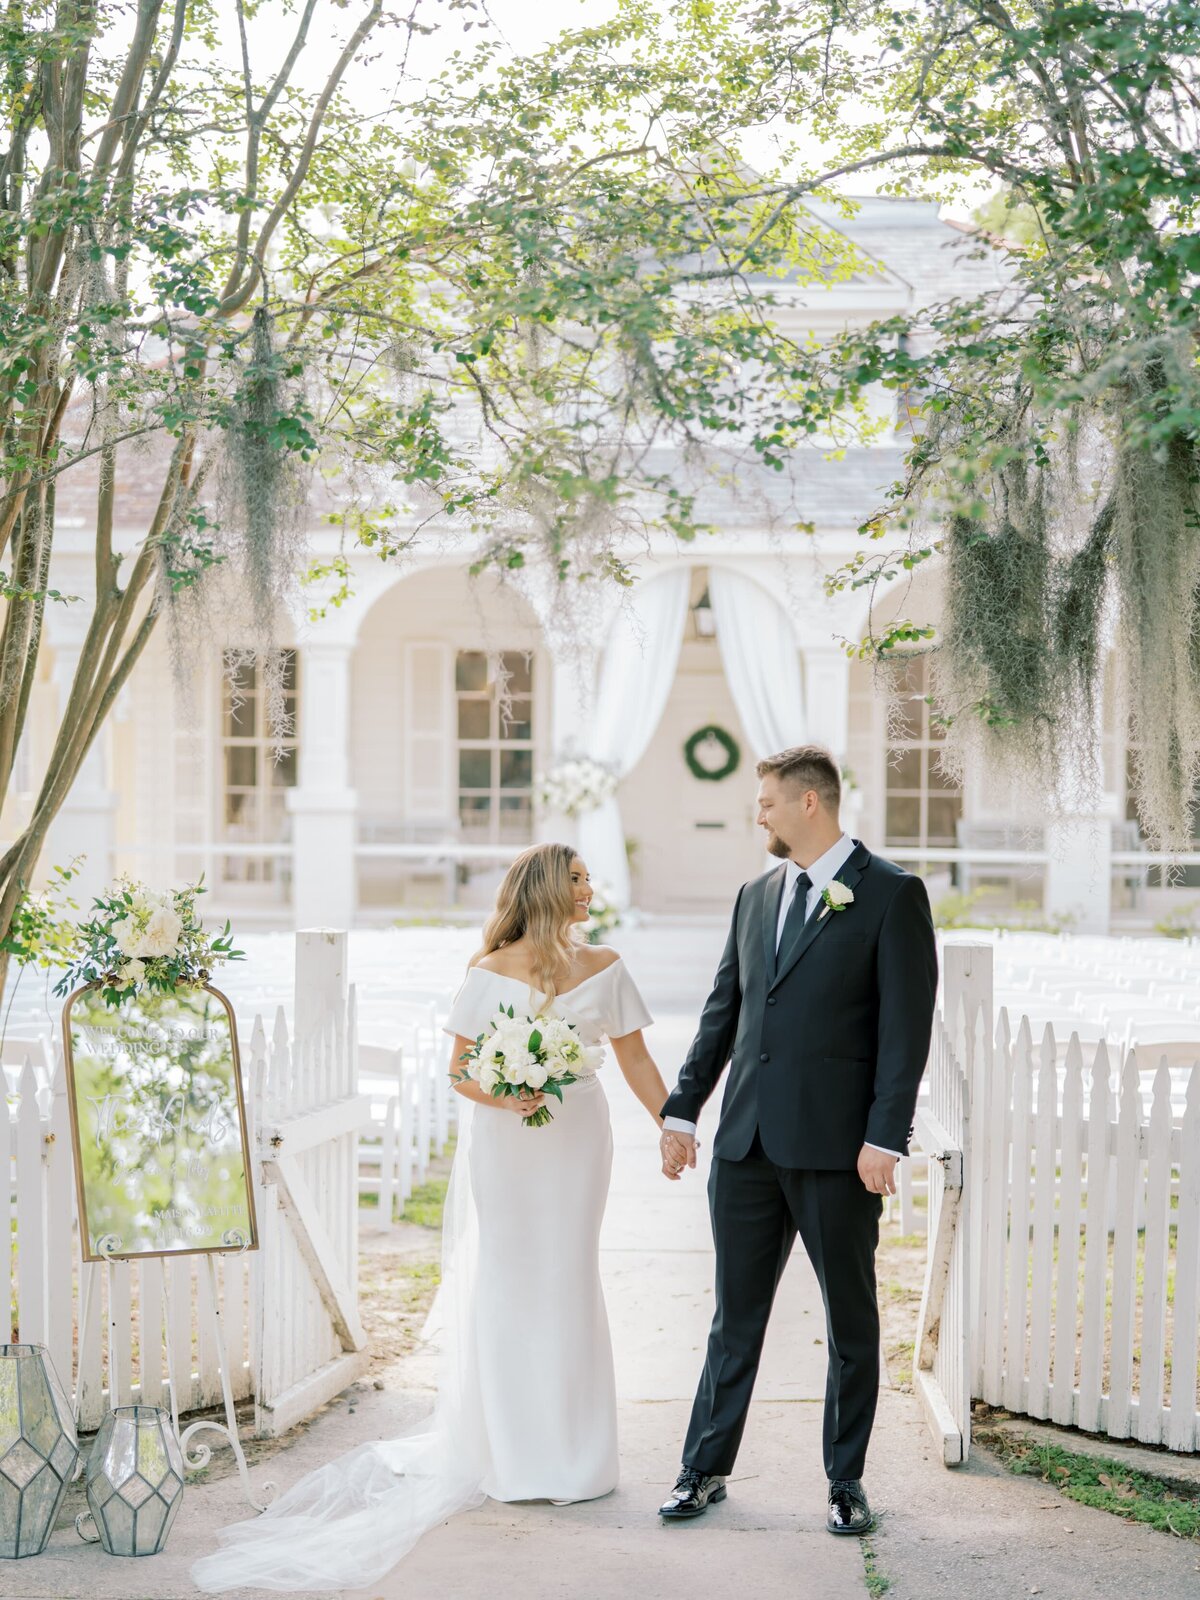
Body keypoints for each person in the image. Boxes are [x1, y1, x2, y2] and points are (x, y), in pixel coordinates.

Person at [192, 842, 667, 1592]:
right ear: (545, 889)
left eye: (588, 879)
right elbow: (460, 1071)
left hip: (577, 1140)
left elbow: (636, 1060)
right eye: (577, 879)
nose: (589, 889)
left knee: (569, 1278)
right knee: (512, 1281)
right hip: (509, 1145)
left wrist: (673, 1124)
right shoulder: (487, 973)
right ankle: (512, 1452)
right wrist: (507, 1092)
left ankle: (577, 1455)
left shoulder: (605, 966)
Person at [656, 744, 937, 1537]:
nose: (760, 815)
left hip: (839, 1151)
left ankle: (845, 1481)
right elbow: (724, 1013)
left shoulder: (891, 895)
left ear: (811, 802)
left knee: (850, 1322)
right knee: (732, 1319)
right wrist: (683, 1112)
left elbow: (903, 1032)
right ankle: (702, 1469)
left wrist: (886, 1136)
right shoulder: (755, 894)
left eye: (769, 802)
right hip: (744, 1146)